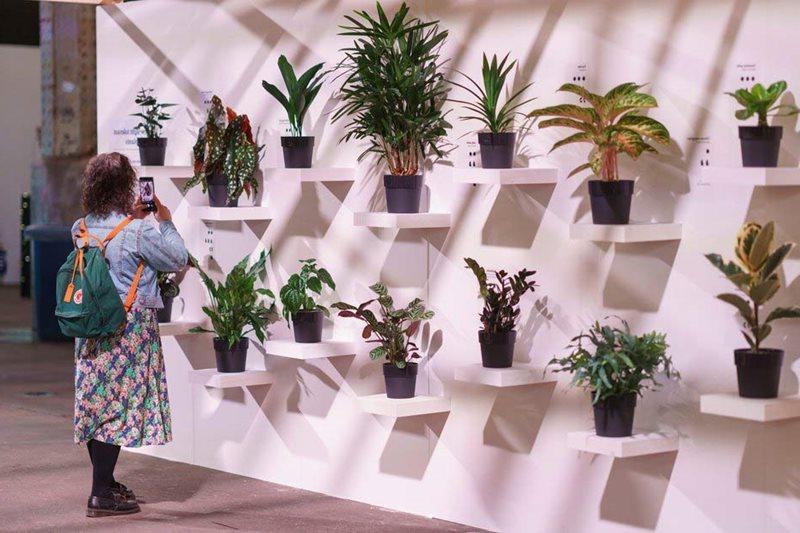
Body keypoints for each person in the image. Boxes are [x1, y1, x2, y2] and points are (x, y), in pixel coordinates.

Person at [71, 152, 188, 517]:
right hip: (128, 327)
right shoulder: (137, 231)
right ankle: (101, 492)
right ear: (127, 186)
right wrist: (165, 222)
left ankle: (105, 483)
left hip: (89, 325)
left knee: (96, 403)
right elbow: (177, 258)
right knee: (118, 408)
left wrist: (130, 219)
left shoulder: (80, 228)